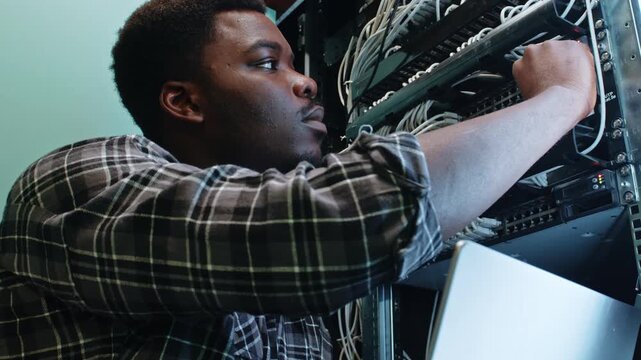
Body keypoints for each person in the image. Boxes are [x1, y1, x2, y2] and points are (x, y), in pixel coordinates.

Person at [0, 0, 596, 358]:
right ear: (184, 101)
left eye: (295, 61)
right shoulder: (75, 184)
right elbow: (341, 224)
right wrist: (563, 97)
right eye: (266, 64)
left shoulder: (285, 303)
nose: (306, 82)